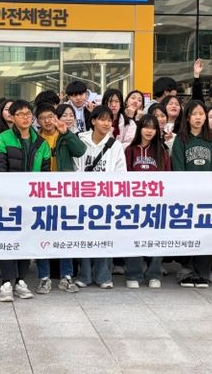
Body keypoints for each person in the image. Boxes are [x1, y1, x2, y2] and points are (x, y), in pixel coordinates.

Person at [0, 99, 51, 302]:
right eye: (20, 114)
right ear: (12, 117)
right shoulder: (3, 139)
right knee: (8, 239)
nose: (25, 118)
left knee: (27, 239)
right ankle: (6, 283)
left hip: (31, 200)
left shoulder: (41, 143)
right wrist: (5, 196)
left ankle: (21, 281)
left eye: (28, 114)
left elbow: (45, 174)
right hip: (8, 200)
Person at [33, 103, 86, 294]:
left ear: (56, 117)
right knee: (42, 234)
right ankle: (44, 277)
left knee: (65, 233)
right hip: (41, 192)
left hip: (63, 191)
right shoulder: (34, 138)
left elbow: (80, 150)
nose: (47, 121)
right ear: (37, 121)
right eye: (42, 118)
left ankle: (67, 276)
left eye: (50, 117)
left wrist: (66, 133)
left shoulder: (64, 135)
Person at [74, 106, 127, 289]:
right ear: (93, 121)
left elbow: (121, 172)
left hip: (106, 198)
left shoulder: (115, 145)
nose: (106, 123)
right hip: (83, 197)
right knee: (84, 237)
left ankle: (104, 276)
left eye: (109, 120)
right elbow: (76, 168)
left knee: (104, 236)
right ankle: (84, 275)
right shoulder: (80, 141)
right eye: (102, 119)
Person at [171, 100, 212, 289]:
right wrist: (186, 191)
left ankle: (203, 273)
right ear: (188, 117)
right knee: (188, 233)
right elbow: (178, 168)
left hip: (208, 195)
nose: (198, 117)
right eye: (194, 114)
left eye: (201, 114)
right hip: (187, 195)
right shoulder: (181, 139)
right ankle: (187, 272)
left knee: (206, 233)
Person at [124, 114, 170, 289]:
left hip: (156, 203)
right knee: (133, 238)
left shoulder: (162, 151)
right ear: (139, 129)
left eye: (153, 128)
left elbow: (168, 177)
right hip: (134, 204)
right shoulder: (130, 150)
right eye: (146, 127)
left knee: (157, 239)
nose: (149, 131)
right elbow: (125, 175)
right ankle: (133, 274)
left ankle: (154, 273)